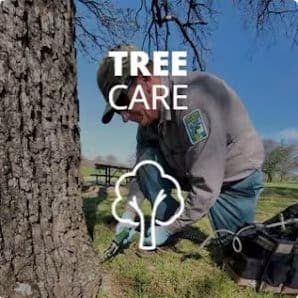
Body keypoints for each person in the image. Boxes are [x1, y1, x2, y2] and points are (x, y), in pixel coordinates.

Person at [96, 44, 264, 247]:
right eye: (117, 110)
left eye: (123, 101)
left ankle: (171, 225)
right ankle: (169, 219)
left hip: (235, 179)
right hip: (190, 169)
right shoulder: (148, 119)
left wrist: (169, 228)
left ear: (145, 79)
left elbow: (206, 187)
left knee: (239, 251)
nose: (124, 117)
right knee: (146, 158)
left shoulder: (195, 101)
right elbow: (140, 171)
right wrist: (129, 213)